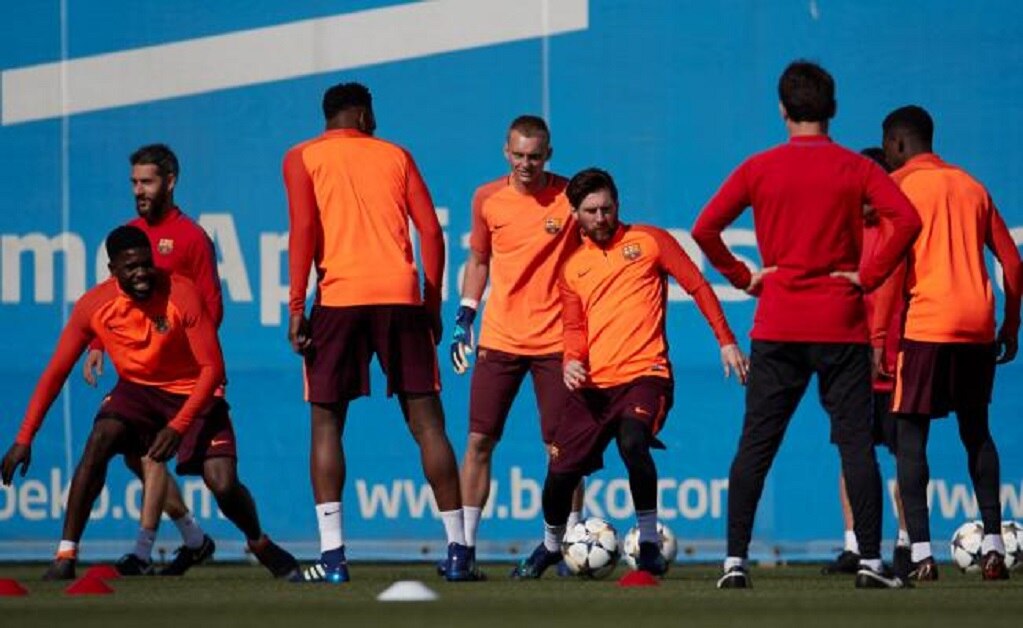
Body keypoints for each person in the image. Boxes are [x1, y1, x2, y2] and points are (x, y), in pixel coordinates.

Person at [692, 60, 921, 589]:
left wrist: (745, 277)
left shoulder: (761, 167)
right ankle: (869, 561)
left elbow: (705, 228)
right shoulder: (856, 168)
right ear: (833, 108)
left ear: (782, 109)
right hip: (839, 323)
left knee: (755, 445)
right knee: (855, 446)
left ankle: (734, 564)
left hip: (778, 322)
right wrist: (866, 275)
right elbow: (908, 220)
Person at [1, 226, 299, 582]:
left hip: (194, 390)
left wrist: (178, 425)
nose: (142, 273)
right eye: (131, 267)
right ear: (113, 271)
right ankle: (66, 554)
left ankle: (259, 542)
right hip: (138, 391)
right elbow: (55, 373)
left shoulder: (181, 293)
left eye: (146, 264)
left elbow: (213, 369)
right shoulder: (94, 305)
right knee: (100, 439)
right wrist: (24, 438)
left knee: (222, 482)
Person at [509, 168, 748, 579]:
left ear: (617, 205)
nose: (601, 217)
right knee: (559, 474)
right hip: (593, 386)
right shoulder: (572, 268)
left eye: (607, 208)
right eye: (591, 211)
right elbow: (574, 327)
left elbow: (698, 286)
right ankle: (550, 547)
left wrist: (726, 340)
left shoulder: (650, 241)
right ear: (576, 215)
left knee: (632, 441)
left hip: (646, 374)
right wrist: (571, 360)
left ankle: (649, 541)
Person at [284, 81, 473, 583]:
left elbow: (303, 230)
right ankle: (458, 553)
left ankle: (334, 560)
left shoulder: (300, 157)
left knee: (326, 426)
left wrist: (296, 306)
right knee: (429, 426)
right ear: (364, 116)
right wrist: (432, 303)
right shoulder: (395, 154)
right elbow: (431, 231)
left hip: (339, 299)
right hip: (399, 297)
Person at [881, 105, 1021, 581]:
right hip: (978, 324)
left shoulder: (899, 187)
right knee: (976, 431)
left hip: (926, 323)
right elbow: (1013, 265)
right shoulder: (972, 185)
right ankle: (995, 544)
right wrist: (1011, 325)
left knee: (910, 434)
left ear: (898, 145)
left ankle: (921, 553)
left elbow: (889, 270)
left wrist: (882, 341)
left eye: (887, 148)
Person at [447, 115, 583, 577]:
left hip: (555, 342)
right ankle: (462, 550)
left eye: (535, 156)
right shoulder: (487, 198)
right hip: (500, 337)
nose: (527, 164)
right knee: (479, 441)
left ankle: (572, 546)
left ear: (549, 154)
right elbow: (479, 259)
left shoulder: (571, 197)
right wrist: (465, 315)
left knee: (563, 449)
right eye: (519, 155)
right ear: (507, 152)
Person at [82, 144, 219, 577]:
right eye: (134, 182)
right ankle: (195, 539)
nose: (139, 190)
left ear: (171, 181)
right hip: (139, 371)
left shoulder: (192, 237)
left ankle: (142, 550)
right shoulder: (128, 234)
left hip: (180, 374)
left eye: (148, 181)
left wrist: (192, 352)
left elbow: (211, 307)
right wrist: (98, 346)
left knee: (154, 453)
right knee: (133, 454)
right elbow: (112, 302)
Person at [822, 148, 911, 577]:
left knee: (906, 455)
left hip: (899, 360)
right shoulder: (841, 234)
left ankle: (907, 544)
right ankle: (854, 546)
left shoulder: (901, 232)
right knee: (850, 454)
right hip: (851, 359)